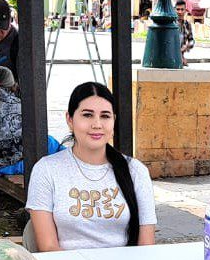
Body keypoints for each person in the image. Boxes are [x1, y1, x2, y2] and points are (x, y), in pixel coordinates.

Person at [26, 81, 156, 251]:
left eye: (105, 116)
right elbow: (49, 247)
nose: (97, 124)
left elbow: (146, 247)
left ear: (114, 121)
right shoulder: (46, 170)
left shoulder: (136, 170)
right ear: (70, 119)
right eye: (87, 115)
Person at [176, 0, 194, 67]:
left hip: (181, 57)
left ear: (185, 11)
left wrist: (187, 46)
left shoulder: (187, 24)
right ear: (174, 10)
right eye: (178, 9)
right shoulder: (171, 24)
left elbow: (192, 40)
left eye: (182, 9)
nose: (180, 12)